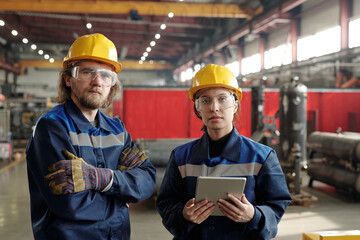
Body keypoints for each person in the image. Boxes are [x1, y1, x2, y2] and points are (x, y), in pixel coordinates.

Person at [26, 33, 156, 240]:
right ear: (68, 79)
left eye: (106, 75)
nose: (98, 81)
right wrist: (121, 198)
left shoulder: (116, 129)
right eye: (87, 72)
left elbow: (147, 179)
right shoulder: (52, 127)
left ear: (112, 83)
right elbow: (70, 204)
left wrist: (105, 179)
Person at [156, 64, 292, 240]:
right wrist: (183, 215)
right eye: (205, 100)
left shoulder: (262, 157)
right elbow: (166, 204)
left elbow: (277, 205)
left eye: (222, 99)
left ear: (235, 105)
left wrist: (254, 215)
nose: (214, 107)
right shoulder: (181, 157)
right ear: (198, 109)